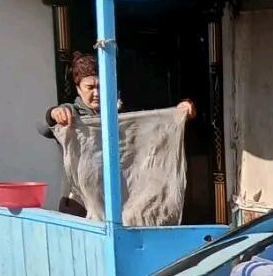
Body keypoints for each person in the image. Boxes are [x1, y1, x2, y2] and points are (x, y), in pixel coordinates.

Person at [42, 50, 195, 215]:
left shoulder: (121, 115)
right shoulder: (71, 115)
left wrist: (181, 109)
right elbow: (44, 128)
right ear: (78, 88)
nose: (97, 93)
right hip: (79, 206)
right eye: (90, 87)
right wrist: (53, 114)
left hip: (119, 203)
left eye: (101, 86)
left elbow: (153, 124)